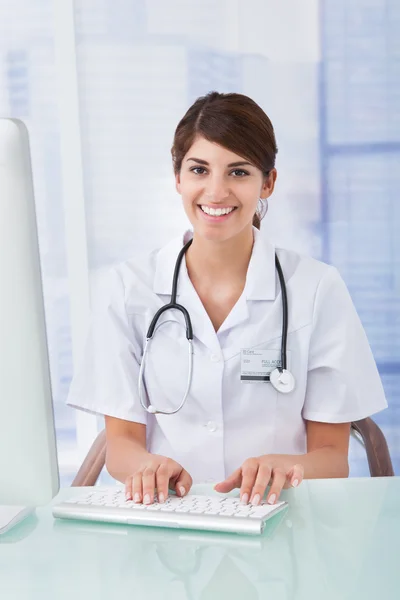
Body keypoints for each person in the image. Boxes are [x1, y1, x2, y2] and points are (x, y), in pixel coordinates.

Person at [67, 91, 387, 508]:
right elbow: (123, 446)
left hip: (281, 520)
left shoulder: (316, 288)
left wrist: (286, 468)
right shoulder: (130, 288)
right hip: (167, 522)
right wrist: (148, 467)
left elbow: (331, 457)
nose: (216, 192)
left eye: (238, 172)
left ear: (267, 182)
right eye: (199, 169)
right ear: (178, 177)